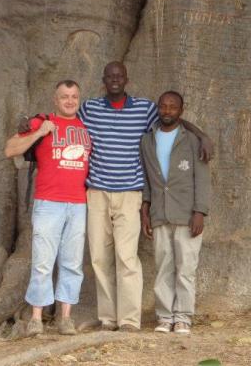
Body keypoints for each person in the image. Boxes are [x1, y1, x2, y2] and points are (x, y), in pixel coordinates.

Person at [78, 62, 213, 332]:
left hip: (130, 193)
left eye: (120, 76)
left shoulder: (145, 109)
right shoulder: (90, 109)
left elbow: (173, 120)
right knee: (99, 258)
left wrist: (202, 135)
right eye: (110, 76)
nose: (115, 80)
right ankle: (108, 318)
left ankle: (129, 319)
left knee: (127, 257)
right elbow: (66, 120)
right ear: (104, 80)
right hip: (97, 192)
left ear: (127, 79)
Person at [4, 80, 92, 336]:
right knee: (43, 262)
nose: (69, 101)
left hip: (78, 203)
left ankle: (65, 318)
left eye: (74, 96)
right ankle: (36, 318)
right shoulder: (42, 123)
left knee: (72, 262)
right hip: (49, 202)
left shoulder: (86, 127)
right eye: (64, 96)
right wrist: (39, 133)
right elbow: (10, 149)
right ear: (55, 99)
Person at [139, 91, 209, 335]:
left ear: (181, 110)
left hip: (187, 214)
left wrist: (199, 211)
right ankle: (165, 316)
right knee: (163, 267)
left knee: (186, 268)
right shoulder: (147, 141)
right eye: (163, 106)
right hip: (159, 213)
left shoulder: (193, 141)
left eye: (173, 107)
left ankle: (183, 317)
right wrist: (145, 210)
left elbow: (202, 179)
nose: (167, 111)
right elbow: (147, 179)